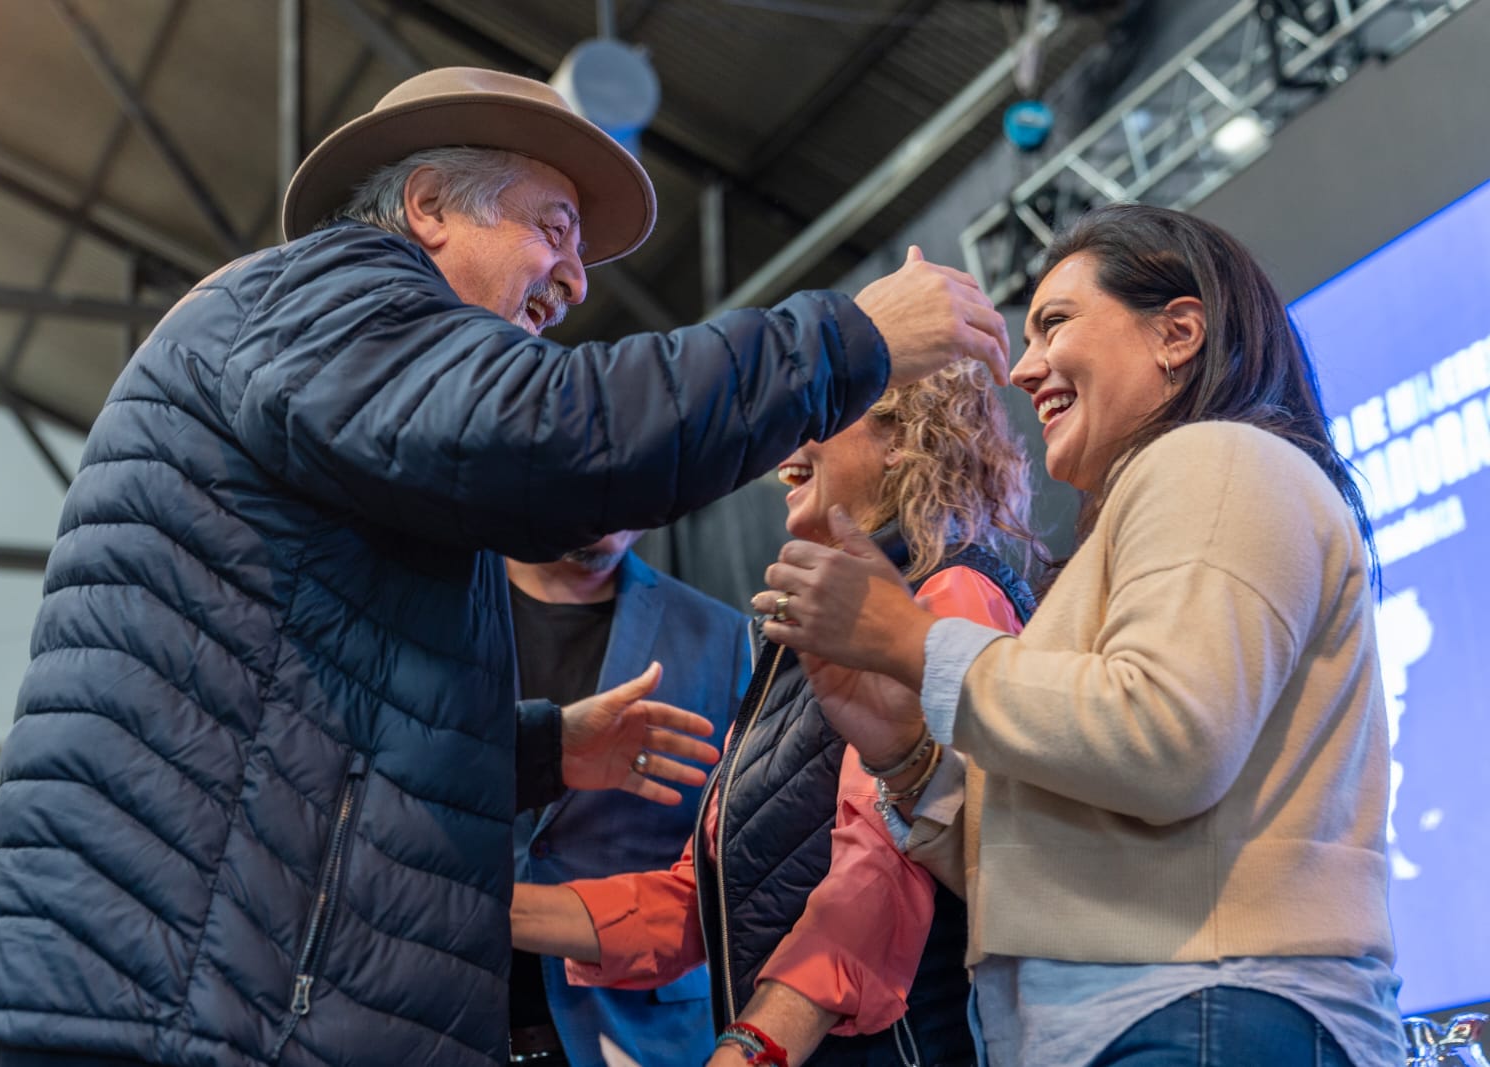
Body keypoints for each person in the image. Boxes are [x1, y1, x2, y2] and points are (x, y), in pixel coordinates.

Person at [0, 66, 1010, 1067]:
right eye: (554, 228)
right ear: (429, 204)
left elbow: (297, 694)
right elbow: (557, 433)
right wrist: (847, 341)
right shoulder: (336, 294)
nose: (575, 279)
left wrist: (537, 747)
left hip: (197, 989)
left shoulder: (336, 367)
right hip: (179, 1000)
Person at [755, 203, 1404, 1067]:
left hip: (1206, 1012)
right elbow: (1045, 864)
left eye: (1054, 323)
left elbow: (1168, 738)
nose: (1024, 369)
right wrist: (907, 752)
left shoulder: (1218, 458)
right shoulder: (1144, 517)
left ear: (1177, 333)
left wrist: (917, 644)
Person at [512, 362, 1037, 1067]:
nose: (788, 437)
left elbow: (879, 878)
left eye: (820, 413)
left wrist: (746, 1048)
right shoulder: (811, 635)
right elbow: (698, 901)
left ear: (901, 440)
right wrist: (479, 906)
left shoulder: (948, 593)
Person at [505, 533, 748, 1066]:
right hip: (437, 1018)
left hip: (643, 1037)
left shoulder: (723, 637)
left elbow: (732, 886)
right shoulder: (436, 606)